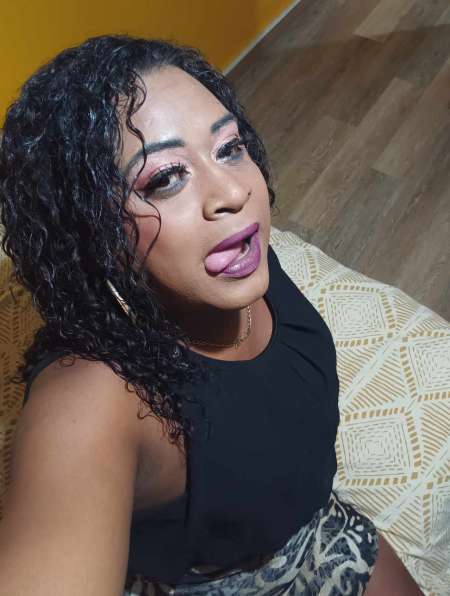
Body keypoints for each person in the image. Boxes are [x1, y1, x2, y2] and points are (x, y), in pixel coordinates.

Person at [0, 35, 423, 595]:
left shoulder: (234, 256)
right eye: (165, 178)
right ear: (91, 230)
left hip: (317, 528)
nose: (232, 192)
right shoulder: (89, 402)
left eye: (229, 147)